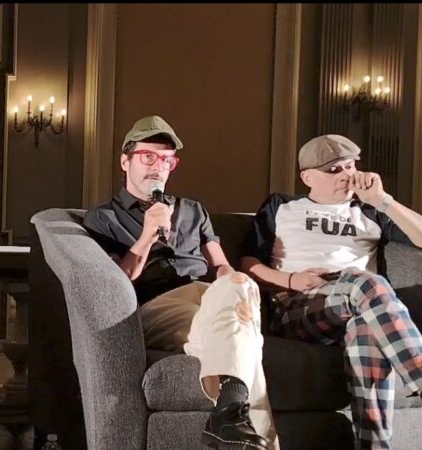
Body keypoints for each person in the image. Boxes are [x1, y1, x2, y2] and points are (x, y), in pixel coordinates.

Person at [240, 134, 422, 449]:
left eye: (350, 166)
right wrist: (291, 279)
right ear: (308, 177)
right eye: (334, 170)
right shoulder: (281, 206)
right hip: (301, 305)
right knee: (368, 282)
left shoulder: (369, 212)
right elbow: (248, 263)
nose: (347, 175)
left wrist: (383, 200)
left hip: (362, 308)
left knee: (366, 333)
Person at [83, 115, 277, 449]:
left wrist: (238, 284)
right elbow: (115, 284)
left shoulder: (192, 210)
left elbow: (221, 265)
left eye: (166, 159)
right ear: (125, 161)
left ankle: (229, 418)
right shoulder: (104, 217)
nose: (158, 166)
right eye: (148, 156)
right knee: (244, 334)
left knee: (239, 290)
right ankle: (230, 414)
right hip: (156, 305)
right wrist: (147, 234)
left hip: (208, 295)